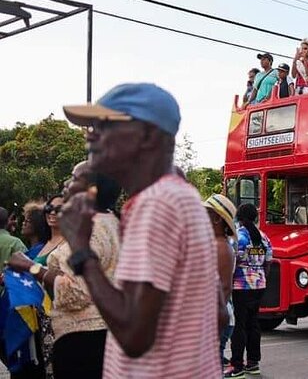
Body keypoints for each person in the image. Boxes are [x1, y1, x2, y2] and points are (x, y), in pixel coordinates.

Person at [60, 82, 222, 378]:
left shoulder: (156, 203)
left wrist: (81, 249)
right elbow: (220, 314)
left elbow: (135, 335)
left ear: (148, 135)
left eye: (104, 123)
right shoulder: (181, 196)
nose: (91, 134)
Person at [8, 161, 122, 378]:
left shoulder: (89, 229)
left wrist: (31, 267)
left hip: (85, 343)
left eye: (73, 178)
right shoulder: (110, 222)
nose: (65, 184)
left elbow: (77, 290)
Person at [227, 203, 272, 378]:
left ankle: (236, 366)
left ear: (239, 217)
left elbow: (233, 263)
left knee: (239, 326)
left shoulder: (239, 237)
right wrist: (259, 276)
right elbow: (268, 262)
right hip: (259, 286)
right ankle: (253, 363)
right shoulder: (263, 237)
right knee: (253, 324)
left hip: (241, 287)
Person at [203, 194, 237, 371]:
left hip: (216, 319)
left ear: (216, 218)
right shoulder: (215, 244)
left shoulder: (221, 247)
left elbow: (224, 289)